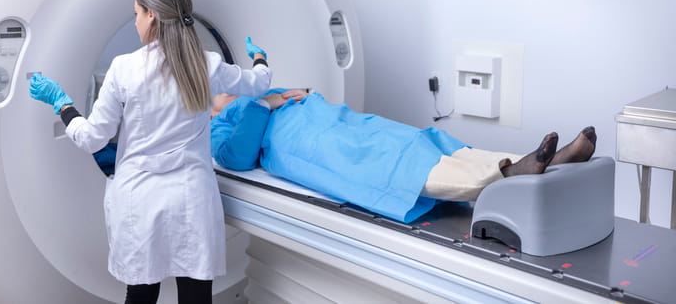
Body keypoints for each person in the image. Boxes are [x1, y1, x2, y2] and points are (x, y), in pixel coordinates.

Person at [29, 0, 272, 304]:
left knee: (142, 294)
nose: (135, 22)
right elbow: (259, 84)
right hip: (192, 196)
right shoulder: (207, 63)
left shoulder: (124, 68)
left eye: (136, 14)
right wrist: (259, 58)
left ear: (152, 16)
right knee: (196, 294)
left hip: (142, 198)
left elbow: (91, 139)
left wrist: (62, 103)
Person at [210, 89, 596, 223]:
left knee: (420, 140)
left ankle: (538, 159)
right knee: (383, 160)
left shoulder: (263, 90)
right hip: (308, 144)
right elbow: (237, 157)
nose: (226, 87)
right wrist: (264, 104)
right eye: (218, 87)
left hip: (338, 120)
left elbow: (305, 97)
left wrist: (295, 95)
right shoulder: (217, 124)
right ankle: (506, 176)